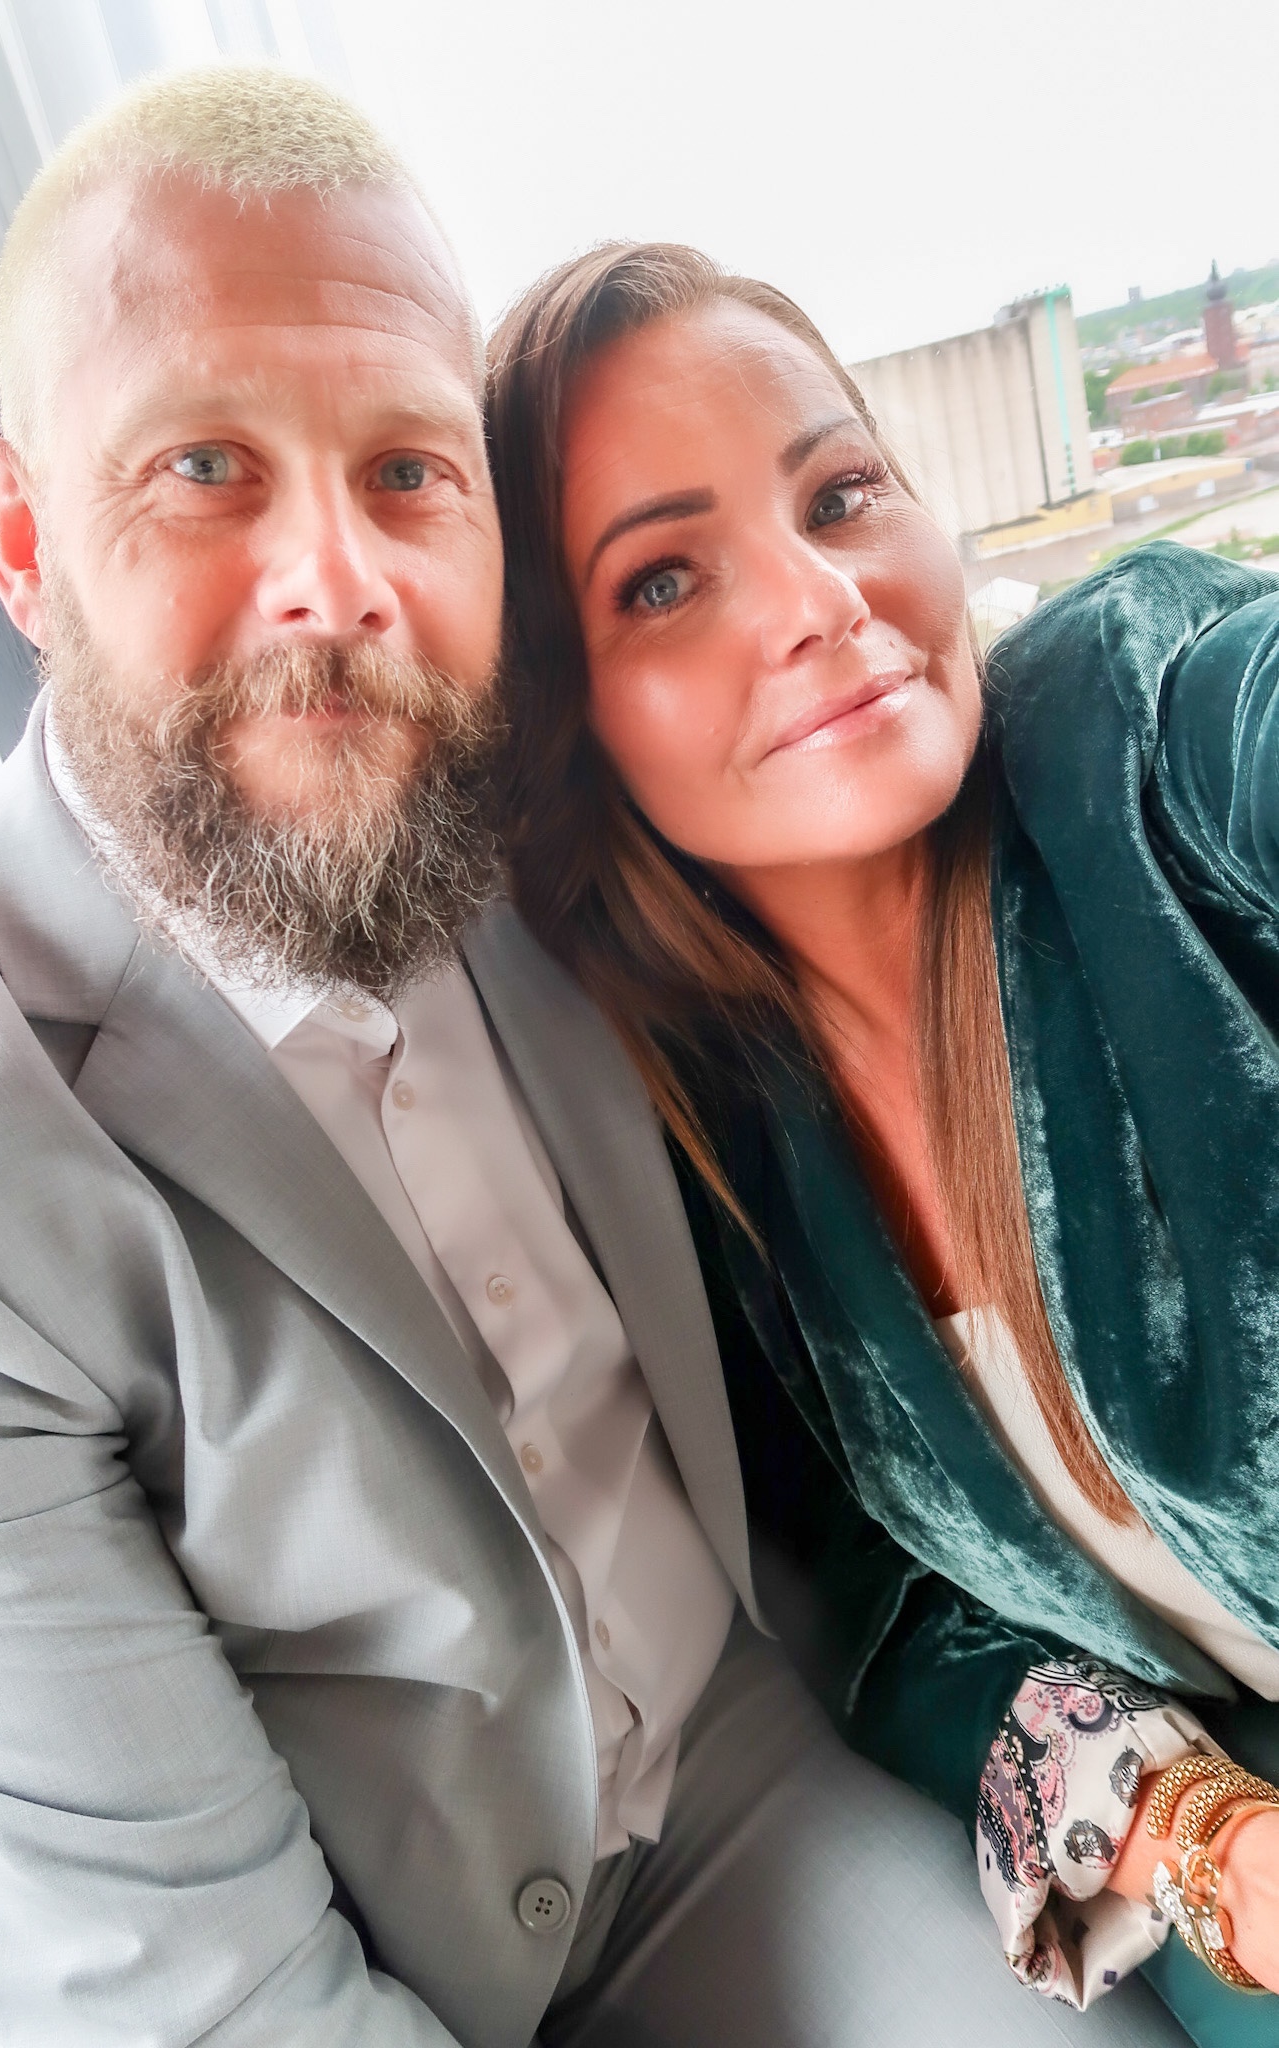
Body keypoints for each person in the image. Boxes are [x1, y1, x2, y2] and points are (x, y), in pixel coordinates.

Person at [0, 64, 1159, 2048]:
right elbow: (210, 2001)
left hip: (740, 1790)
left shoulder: (531, 798)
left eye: (408, 470)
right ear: (19, 537)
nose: (337, 584)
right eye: (205, 468)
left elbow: (854, 699)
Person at [485, 238, 1279, 2048]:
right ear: (566, 720)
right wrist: (1205, 1843)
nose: (817, 597)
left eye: (838, 495)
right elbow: (887, 1608)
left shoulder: (1144, 726)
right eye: (664, 580)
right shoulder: (701, 1157)